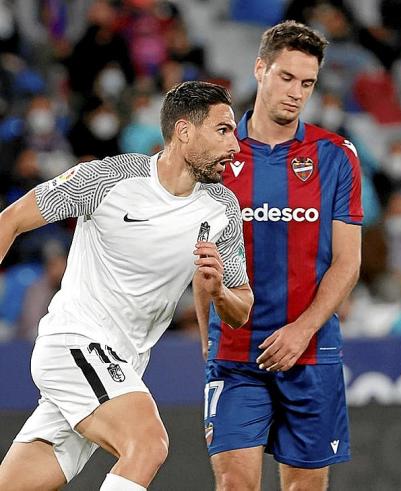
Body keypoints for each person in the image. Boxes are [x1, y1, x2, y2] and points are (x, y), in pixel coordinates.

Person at [0, 80, 253, 491]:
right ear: (184, 131)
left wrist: (219, 290)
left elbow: (242, 308)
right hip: (75, 342)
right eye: (223, 130)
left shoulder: (222, 208)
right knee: (148, 443)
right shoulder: (106, 180)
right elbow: (10, 220)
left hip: (122, 365)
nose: (236, 147)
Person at [195, 21, 362, 491]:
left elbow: (347, 263)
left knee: (304, 487)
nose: (296, 92)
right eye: (286, 77)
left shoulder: (336, 156)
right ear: (260, 68)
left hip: (310, 352)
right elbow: (202, 260)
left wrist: (302, 330)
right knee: (234, 484)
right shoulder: (219, 155)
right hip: (235, 354)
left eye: (307, 83)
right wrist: (208, 342)